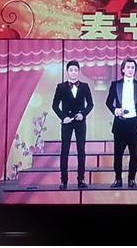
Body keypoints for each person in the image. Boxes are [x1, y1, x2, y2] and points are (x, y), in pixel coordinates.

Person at [51, 60, 94, 190]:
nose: (73, 72)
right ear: (67, 72)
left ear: (78, 71)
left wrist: (83, 114)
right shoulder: (61, 87)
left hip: (80, 122)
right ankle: (63, 180)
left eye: (76, 70)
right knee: (65, 150)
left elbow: (90, 104)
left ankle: (81, 179)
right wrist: (63, 117)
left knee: (81, 150)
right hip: (67, 122)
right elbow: (54, 105)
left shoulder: (85, 86)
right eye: (71, 70)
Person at [105, 58, 137, 189]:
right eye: (128, 67)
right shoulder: (115, 84)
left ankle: (131, 179)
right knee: (118, 154)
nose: (130, 70)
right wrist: (115, 110)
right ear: (123, 69)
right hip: (120, 123)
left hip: (134, 123)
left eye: (132, 67)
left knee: (134, 153)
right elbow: (108, 102)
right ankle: (118, 179)